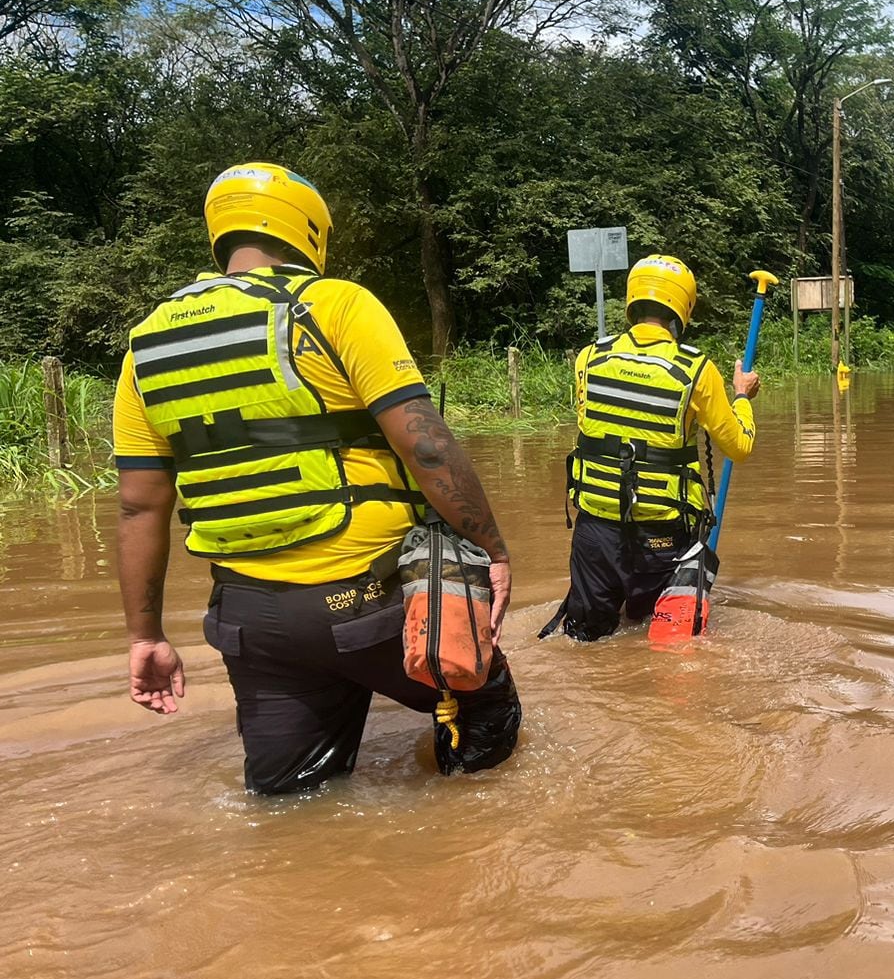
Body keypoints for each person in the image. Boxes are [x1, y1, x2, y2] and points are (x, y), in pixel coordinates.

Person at [114, 162, 521, 793]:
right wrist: (493, 549)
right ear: (309, 231)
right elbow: (429, 449)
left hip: (252, 624)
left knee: (292, 804)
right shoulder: (332, 304)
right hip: (371, 599)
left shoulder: (147, 345)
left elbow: (139, 509)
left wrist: (145, 636)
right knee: (485, 716)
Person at [549, 253, 759, 641]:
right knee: (654, 636)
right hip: (661, 536)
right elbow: (739, 446)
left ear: (632, 300)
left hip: (593, 531)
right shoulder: (696, 370)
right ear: (684, 307)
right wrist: (742, 396)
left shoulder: (589, 358)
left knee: (584, 642)